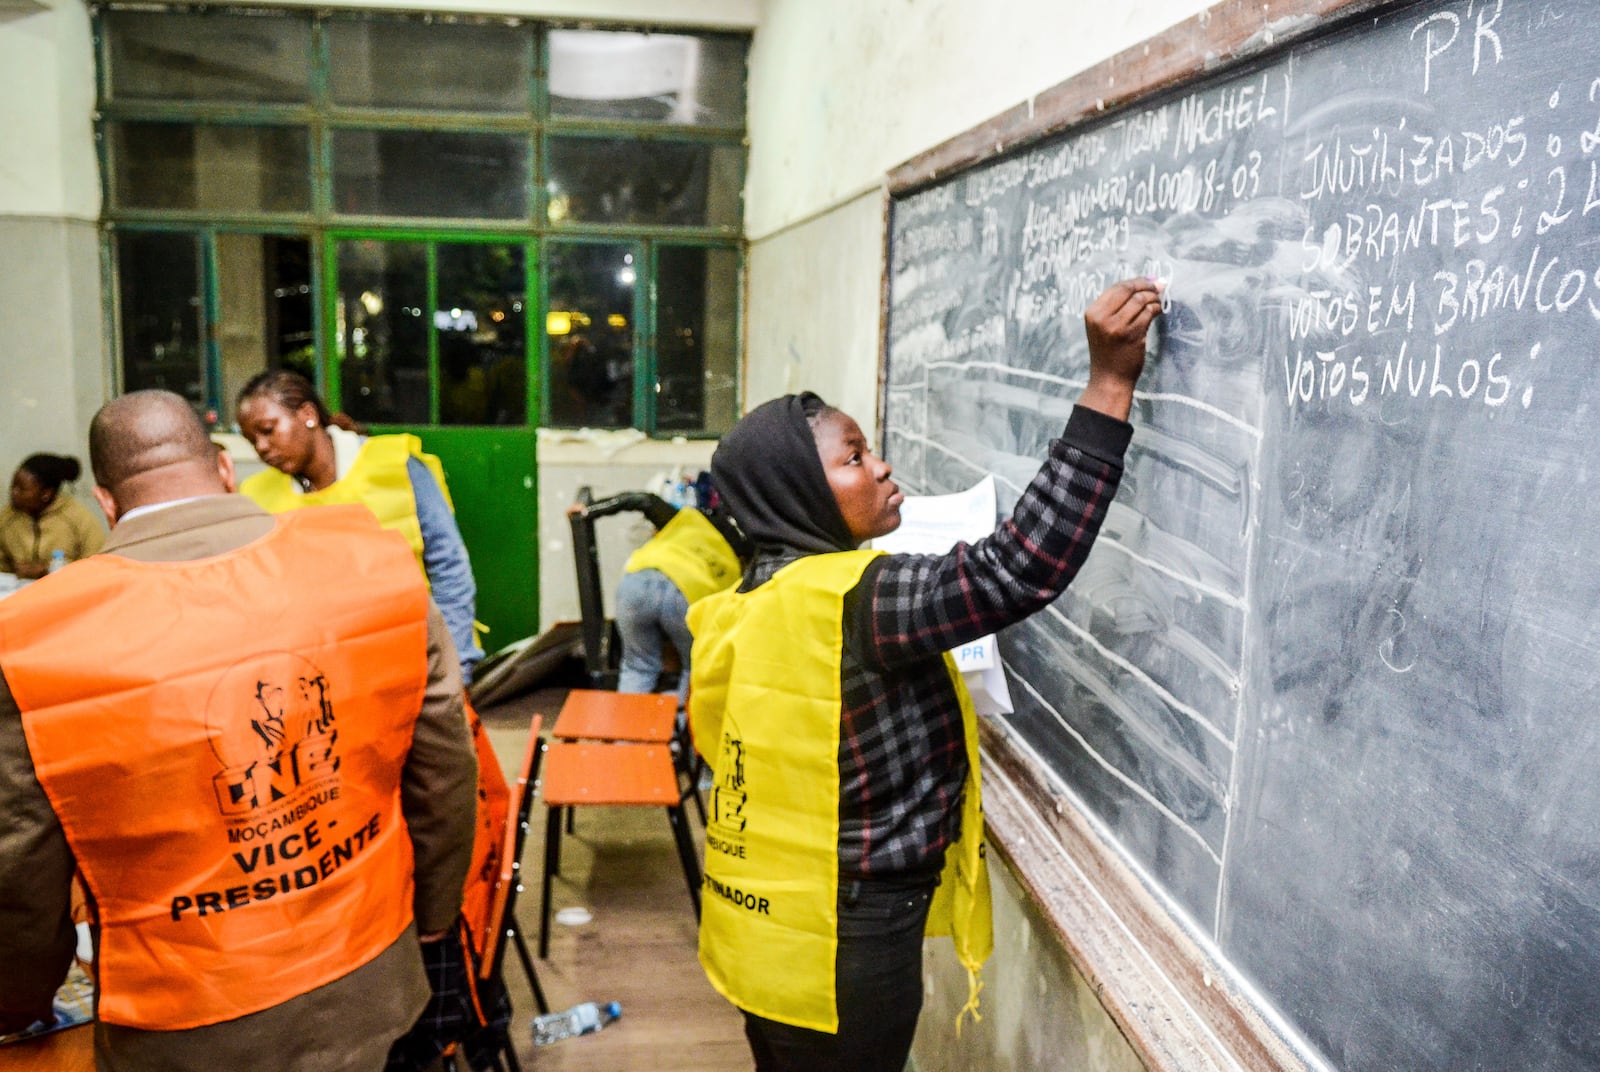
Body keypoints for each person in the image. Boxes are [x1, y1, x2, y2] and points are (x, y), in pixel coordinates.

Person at [687, 277, 1164, 1072]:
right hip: (848, 938)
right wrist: (1109, 383)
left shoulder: (740, 604)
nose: (880, 466)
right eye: (853, 457)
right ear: (800, 492)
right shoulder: (859, 600)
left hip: (759, 927)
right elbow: (1023, 566)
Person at [0, 390, 479, 1071]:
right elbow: (444, 771)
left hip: (186, 1027)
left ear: (106, 504)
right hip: (371, 981)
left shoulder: (36, 642)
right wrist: (434, 914)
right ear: (224, 470)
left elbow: (20, 870)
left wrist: (20, 1000)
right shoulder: (374, 565)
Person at [234, 370, 484, 683]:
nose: (262, 447)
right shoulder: (258, 495)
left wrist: (455, 664)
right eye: (251, 440)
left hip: (418, 661)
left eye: (268, 430)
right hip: (324, 678)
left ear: (308, 415)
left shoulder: (394, 465)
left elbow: (449, 568)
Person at [571, 483, 747, 697]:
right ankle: (678, 725)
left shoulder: (685, 520)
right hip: (685, 594)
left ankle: (629, 728)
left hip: (636, 583)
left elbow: (643, 499)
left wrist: (590, 509)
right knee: (696, 667)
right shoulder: (737, 557)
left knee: (638, 666)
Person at [0, 453, 104, 578]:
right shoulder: (7, 517)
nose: (14, 493)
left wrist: (48, 570)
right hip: (18, 593)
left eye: (22, 489)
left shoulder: (77, 518)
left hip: (68, 591)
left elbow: (98, 565)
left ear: (46, 494)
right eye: (13, 486)